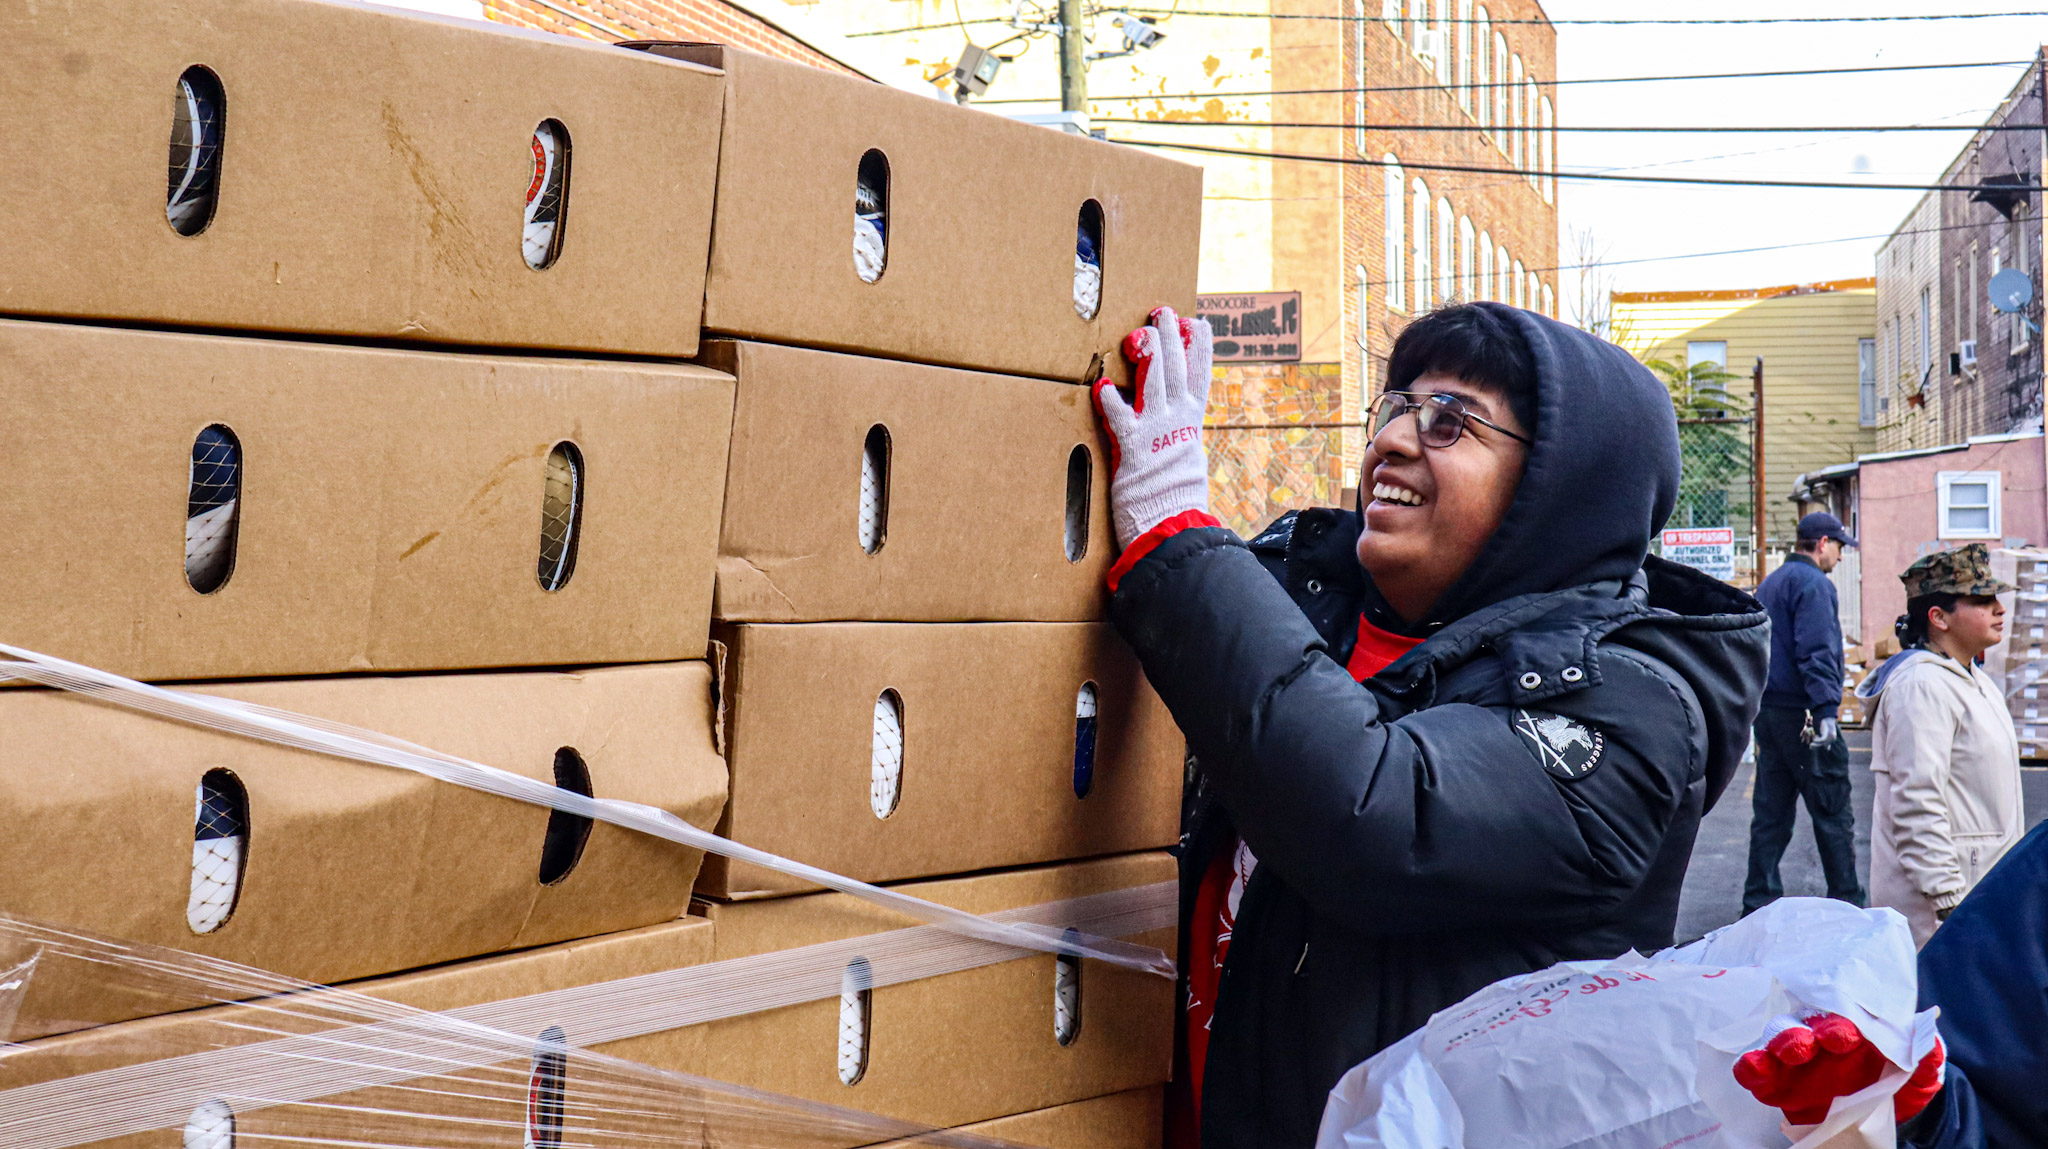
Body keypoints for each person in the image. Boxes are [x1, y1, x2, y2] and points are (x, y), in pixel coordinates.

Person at [1089, 301, 1768, 1148]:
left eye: (1451, 422)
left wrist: (1176, 530)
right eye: (1397, 407)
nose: (1395, 441)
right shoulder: (1312, 599)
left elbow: (1373, 815)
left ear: (1561, 488)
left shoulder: (1631, 705)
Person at [1854, 544, 2025, 948]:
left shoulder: (1973, 680)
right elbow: (1917, 804)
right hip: (1943, 917)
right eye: (1982, 600)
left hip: (1980, 900)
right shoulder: (1921, 686)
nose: (1999, 608)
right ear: (1938, 617)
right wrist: (1950, 903)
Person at [1742, 511, 1864, 915]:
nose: (1841, 558)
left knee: (1771, 812)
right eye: (1840, 547)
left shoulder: (1771, 583)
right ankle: (1847, 904)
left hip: (1770, 713)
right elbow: (1817, 649)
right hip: (1805, 714)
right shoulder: (1813, 584)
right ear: (1823, 543)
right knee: (1831, 808)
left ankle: (1757, 902)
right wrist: (1827, 709)